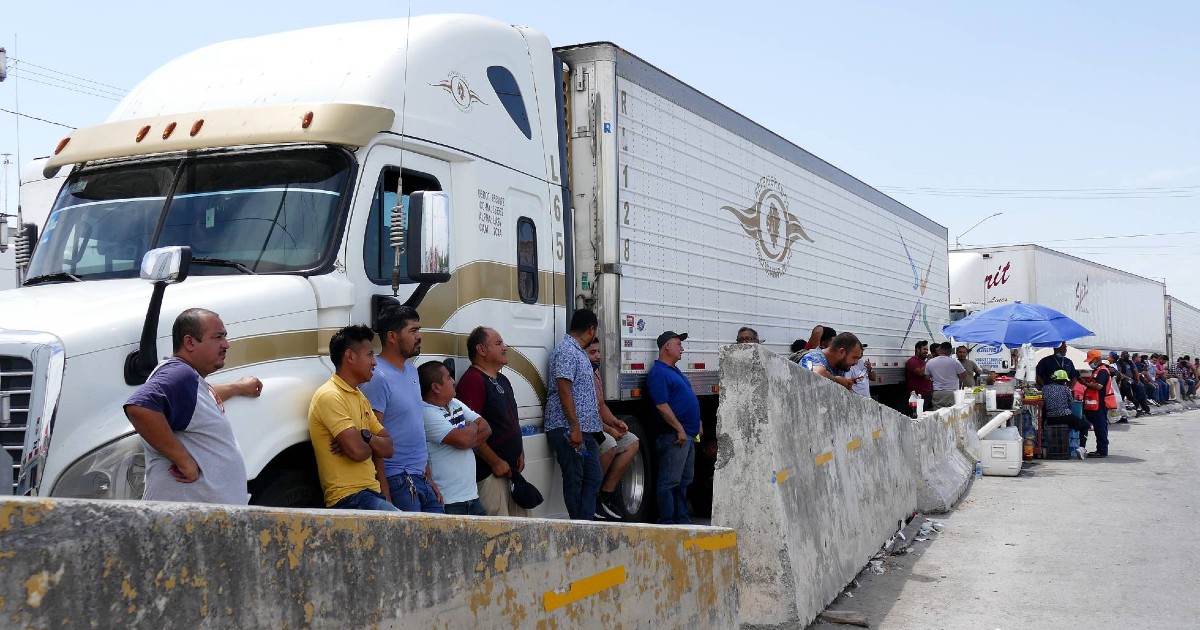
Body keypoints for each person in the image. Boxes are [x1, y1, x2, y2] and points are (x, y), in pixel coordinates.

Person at [124, 308, 263, 504]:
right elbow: (140, 407)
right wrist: (184, 460)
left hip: (201, 522)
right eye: (217, 337)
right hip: (186, 524)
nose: (226, 344)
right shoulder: (180, 374)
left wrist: (238, 387)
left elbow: (200, 397)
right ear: (189, 342)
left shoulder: (188, 380)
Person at [361, 306, 445, 513]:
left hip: (420, 479)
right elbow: (374, 436)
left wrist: (429, 478)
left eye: (419, 330)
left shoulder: (412, 370)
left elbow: (416, 429)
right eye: (413, 331)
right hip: (397, 480)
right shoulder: (377, 377)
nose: (420, 336)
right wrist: (384, 490)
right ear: (392, 336)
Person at [308, 325, 398, 511]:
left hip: (370, 495)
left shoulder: (360, 397)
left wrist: (364, 436)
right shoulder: (330, 395)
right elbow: (358, 453)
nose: (374, 363)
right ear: (350, 356)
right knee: (410, 532)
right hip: (349, 499)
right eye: (370, 355)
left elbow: (389, 448)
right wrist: (368, 444)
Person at [458, 326, 530, 516]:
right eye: (498, 343)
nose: (505, 347)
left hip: (510, 473)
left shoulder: (503, 379)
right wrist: (496, 462)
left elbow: (511, 419)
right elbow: (471, 432)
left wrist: (519, 451)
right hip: (490, 474)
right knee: (497, 534)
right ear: (481, 350)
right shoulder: (473, 381)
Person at [544, 309, 604, 520]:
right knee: (575, 478)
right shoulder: (567, 351)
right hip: (570, 431)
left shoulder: (577, 351)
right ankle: (579, 528)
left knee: (593, 477)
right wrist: (575, 427)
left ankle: (585, 523)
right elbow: (563, 389)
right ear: (591, 329)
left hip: (585, 431)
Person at [418, 361, 492, 516]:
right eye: (449, 377)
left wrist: (466, 438)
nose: (453, 381)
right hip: (449, 502)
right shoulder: (426, 413)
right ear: (436, 387)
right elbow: (464, 439)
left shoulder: (454, 402)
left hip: (473, 497)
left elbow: (486, 428)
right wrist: (471, 428)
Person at [647, 330, 701, 525]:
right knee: (669, 481)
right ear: (667, 347)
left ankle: (682, 520)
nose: (682, 348)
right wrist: (679, 428)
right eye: (678, 344)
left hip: (686, 435)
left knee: (683, 481)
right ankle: (668, 521)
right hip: (674, 436)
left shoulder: (674, 371)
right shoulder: (659, 372)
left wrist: (698, 423)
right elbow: (661, 405)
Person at [586, 338, 640, 521]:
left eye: (598, 352)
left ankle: (606, 494)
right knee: (609, 444)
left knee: (632, 441)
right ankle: (590, 496)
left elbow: (601, 407)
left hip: (601, 424)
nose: (598, 356)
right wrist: (610, 430)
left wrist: (616, 422)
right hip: (589, 427)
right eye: (592, 353)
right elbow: (586, 414)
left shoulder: (596, 373)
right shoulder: (582, 374)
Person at [1042, 369, 1091, 459]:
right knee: (1085, 426)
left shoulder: (1044, 389)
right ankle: (1082, 448)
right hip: (1065, 416)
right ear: (1064, 381)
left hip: (1050, 418)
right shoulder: (1066, 389)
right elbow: (1070, 403)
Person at [798, 332, 865, 390]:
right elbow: (816, 374)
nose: (856, 362)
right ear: (841, 352)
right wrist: (837, 380)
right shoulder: (813, 357)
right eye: (854, 357)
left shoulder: (840, 366)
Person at [1082, 350, 1115, 458]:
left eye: (1091, 360)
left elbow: (1099, 386)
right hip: (1094, 405)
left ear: (1097, 359)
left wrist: (1085, 383)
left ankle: (1102, 450)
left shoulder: (1103, 371)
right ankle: (1099, 449)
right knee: (1097, 427)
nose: (1089, 363)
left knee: (1100, 427)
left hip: (1099, 405)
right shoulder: (1097, 370)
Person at [926, 341, 965, 410]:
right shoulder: (955, 362)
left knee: (938, 415)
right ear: (950, 352)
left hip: (937, 393)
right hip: (952, 393)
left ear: (940, 350)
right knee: (952, 415)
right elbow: (964, 375)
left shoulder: (930, 362)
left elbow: (926, 377)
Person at [905, 341, 932, 413]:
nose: (926, 351)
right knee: (917, 416)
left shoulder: (923, 361)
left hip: (926, 394)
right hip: (917, 396)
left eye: (927, 349)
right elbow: (920, 373)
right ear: (917, 349)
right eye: (924, 349)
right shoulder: (912, 361)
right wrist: (928, 360)